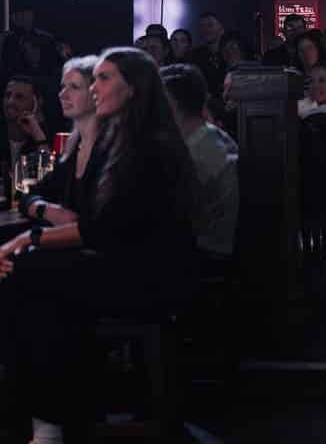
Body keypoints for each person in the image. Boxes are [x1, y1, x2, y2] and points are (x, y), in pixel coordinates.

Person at [0, 47, 198, 442]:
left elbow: (103, 229)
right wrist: (41, 224)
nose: (94, 90)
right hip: (120, 265)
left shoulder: (146, 145)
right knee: (29, 281)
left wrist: (26, 236)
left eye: (103, 79)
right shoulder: (119, 140)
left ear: (134, 90)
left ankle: (45, 419)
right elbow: (45, 199)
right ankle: (42, 414)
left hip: (150, 278)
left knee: (27, 273)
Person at [160, 64, 239, 262]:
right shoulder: (209, 137)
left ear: (172, 104)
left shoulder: (200, 152)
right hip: (198, 250)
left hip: (202, 258)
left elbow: (165, 216)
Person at [18, 57, 99, 227]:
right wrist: (44, 209)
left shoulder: (113, 150)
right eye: (63, 86)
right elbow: (28, 195)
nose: (62, 94)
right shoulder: (74, 152)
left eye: (74, 87)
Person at [0, 76, 50, 169]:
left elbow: (49, 173)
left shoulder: (45, 136)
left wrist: (37, 134)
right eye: (8, 95)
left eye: (19, 97)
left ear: (36, 103)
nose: (10, 101)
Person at [188, 12, 227, 95]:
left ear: (221, 28)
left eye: (210, 25)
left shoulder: (231, 54)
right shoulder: (193, 57)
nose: (206, 29)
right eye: (202, 26)